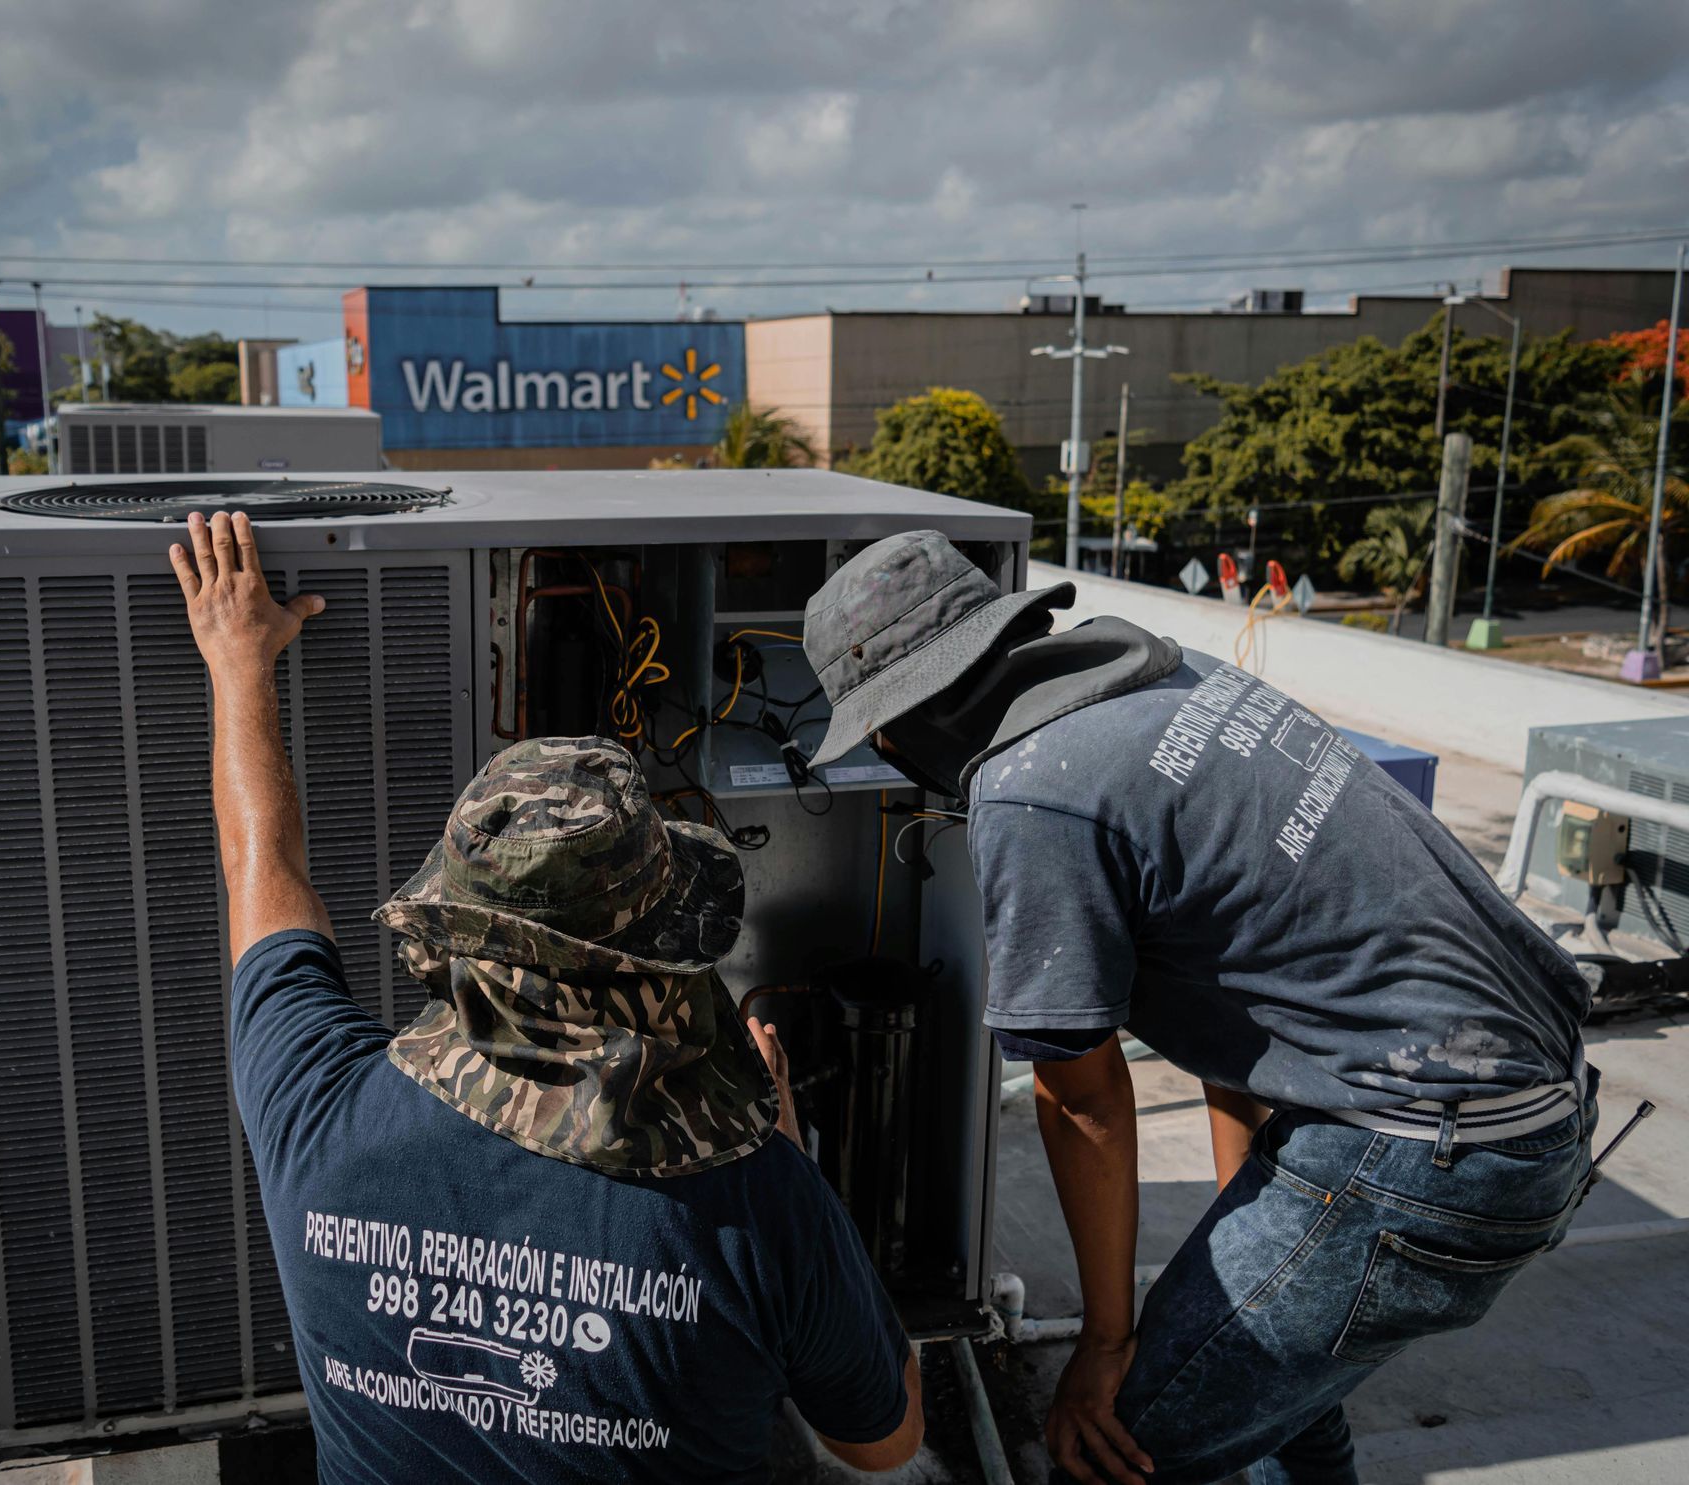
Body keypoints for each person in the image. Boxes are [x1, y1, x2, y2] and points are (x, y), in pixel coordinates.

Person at [800, 529, 1598, 1485]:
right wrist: (1245, 1232)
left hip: (1422, 1147)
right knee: (1279, 1408)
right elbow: (1247, 985)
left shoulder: (1034, 795)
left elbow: (1083, 1100)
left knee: (1112, 1449)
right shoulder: (1175, 680)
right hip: (1526, 1106)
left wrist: (1105, 1343)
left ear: (905, 721)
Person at [169, 511, 921, 1484]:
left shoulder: (318, 1110)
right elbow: (885, 1440)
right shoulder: (757, 1204)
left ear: (459, 925)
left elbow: (259, 865)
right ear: (657, 961)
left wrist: (238, 664)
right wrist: (782, 1147)